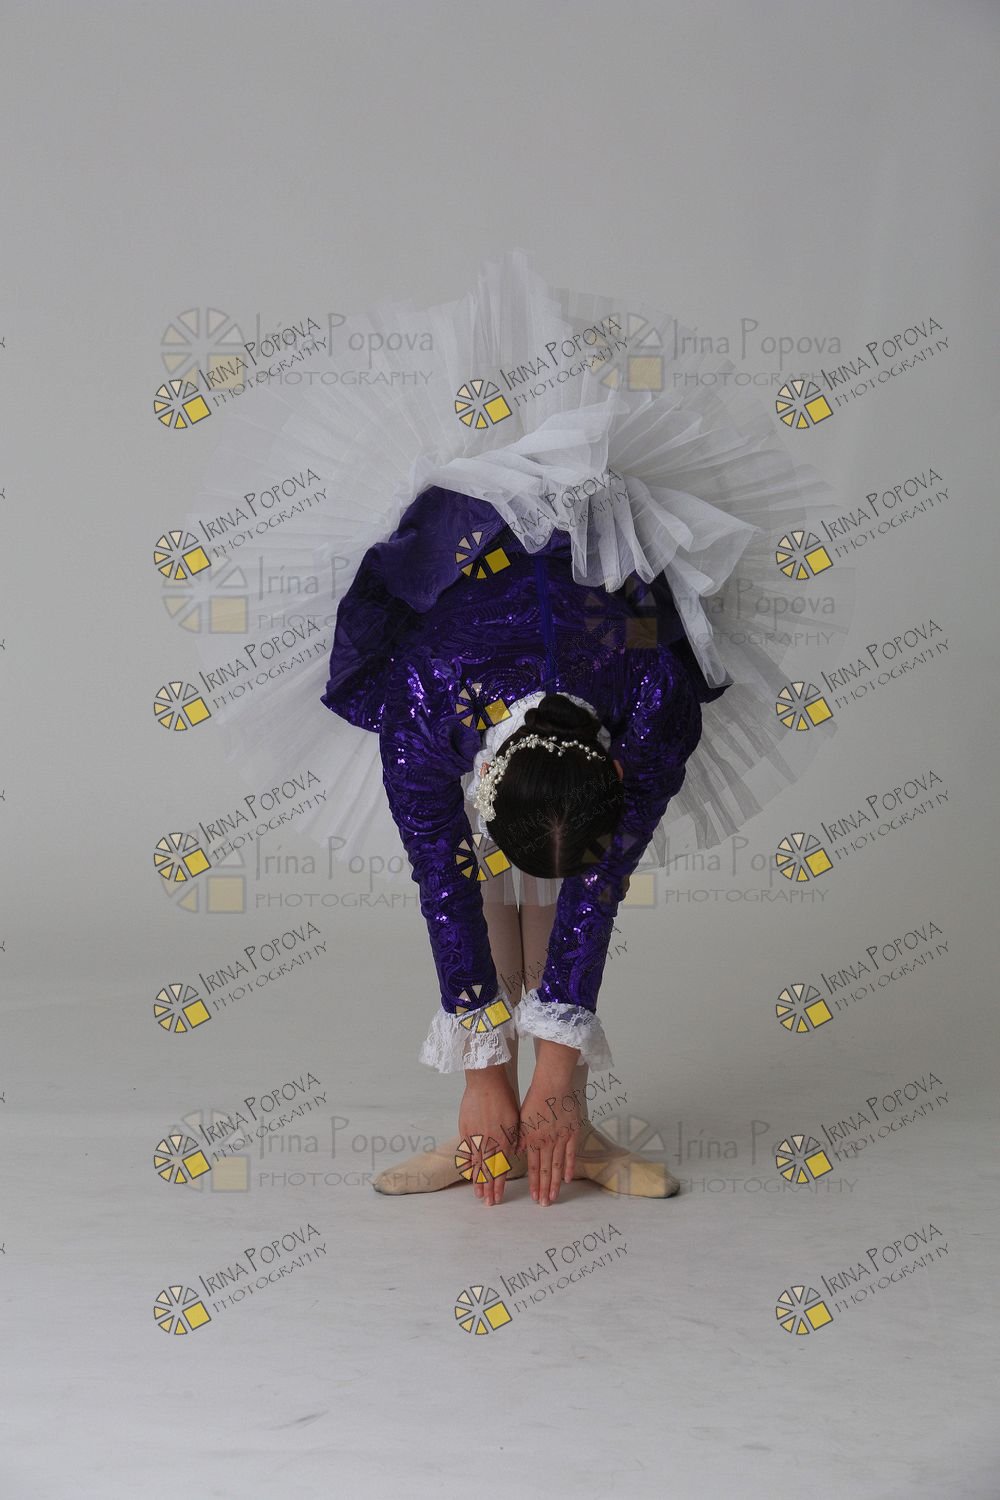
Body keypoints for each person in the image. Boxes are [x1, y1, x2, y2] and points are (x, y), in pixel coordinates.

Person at [188, 249, 851, 1208]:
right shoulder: (425, 694)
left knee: (557, 890)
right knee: (493, 894)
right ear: (481, 784)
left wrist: (557, 1073)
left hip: (602, 613)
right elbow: (445, 882)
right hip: (463, 564)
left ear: (616, 769)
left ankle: (565, 1118)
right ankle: (491, 1118)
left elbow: (596, 885)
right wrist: (482, 1079)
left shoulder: (652, 690)